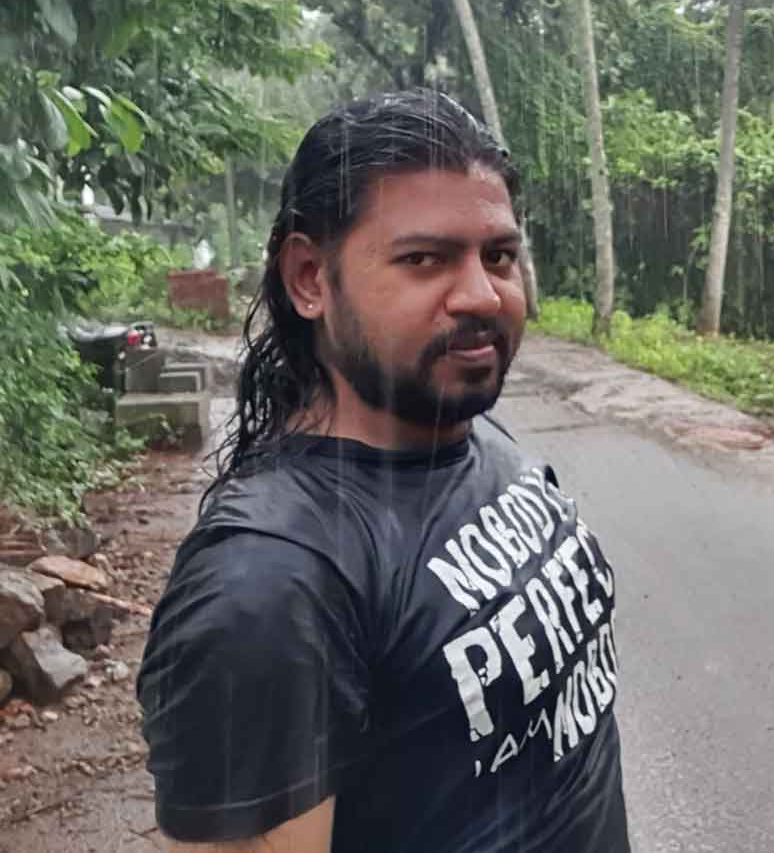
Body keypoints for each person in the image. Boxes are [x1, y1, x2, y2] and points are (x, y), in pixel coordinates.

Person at [137, 90, 631, 853]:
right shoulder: (268, 586)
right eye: (424, 259)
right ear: (310, 277)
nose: (482, 294)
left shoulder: (461, 425)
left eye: (498, 255)